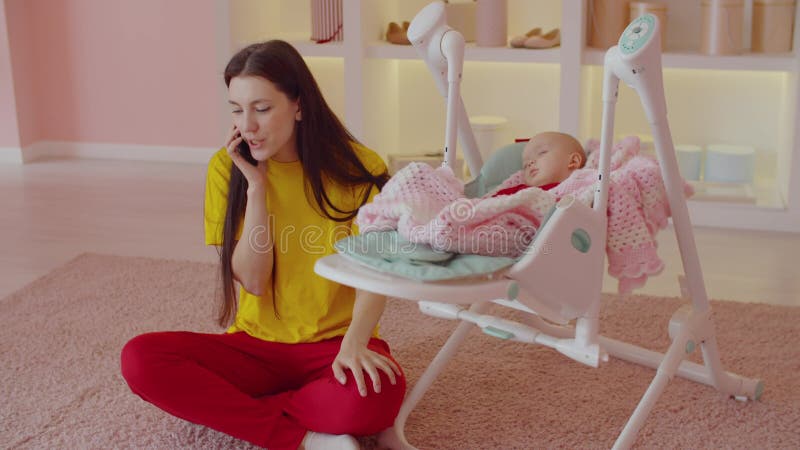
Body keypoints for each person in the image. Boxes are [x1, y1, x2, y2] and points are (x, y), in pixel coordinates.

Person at [120, 40, 406, 450]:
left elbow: (377, 271)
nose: (247, 125)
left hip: (335, 343)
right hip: (255, 347)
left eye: (262, 108)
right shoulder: (227, 168)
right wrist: (256, 187)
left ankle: (238, 409)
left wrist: (355, 343)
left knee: (377, 396)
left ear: (299, 106)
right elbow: (253, 281)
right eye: (237, 109)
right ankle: (304, 439)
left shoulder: (361, 168)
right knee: (141, 359)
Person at [491, 131, 586, 197]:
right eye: (525, 165)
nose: (530, 163)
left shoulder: (584, 189)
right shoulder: (519, 192)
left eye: (542, 152)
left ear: (573, 161)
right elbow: (487, 205)